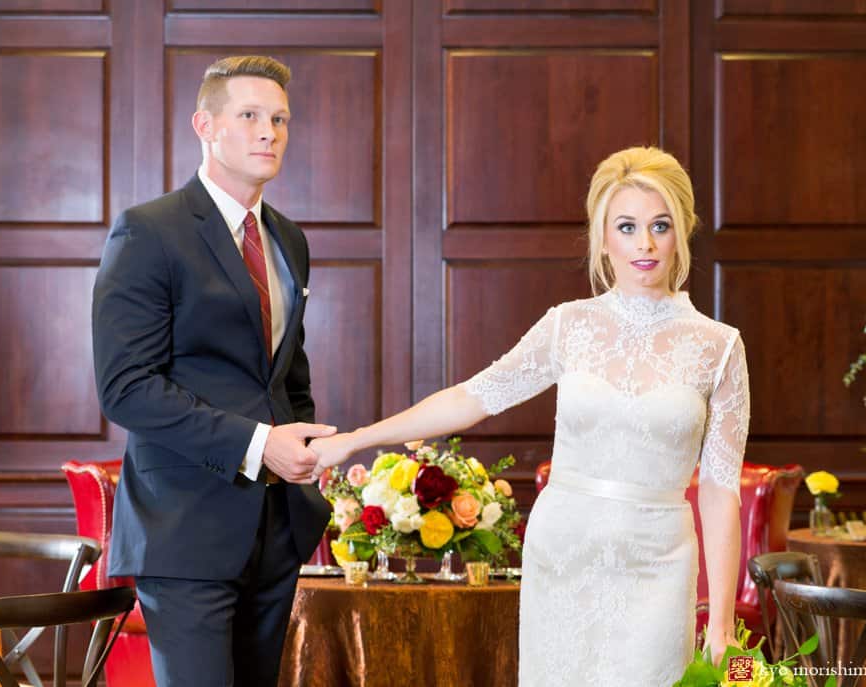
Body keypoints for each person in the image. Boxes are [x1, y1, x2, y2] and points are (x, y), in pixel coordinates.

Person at [308, 145, 749, 684]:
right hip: (563, 553)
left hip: (659, 561)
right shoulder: (568, 326)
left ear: (683, 229)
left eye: (661, 225)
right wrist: (357, 438)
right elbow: (471, 397)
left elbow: (721, 489)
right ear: (603, 236)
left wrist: (721, 620)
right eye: (627, 226)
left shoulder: (719, 346)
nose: (646, 243)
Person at [92, 55, 337, 687]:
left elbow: (288, 377)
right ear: (206, 124)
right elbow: (126, 388)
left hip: (277, 527)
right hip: (184, 528)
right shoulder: (149, 232)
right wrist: (260, 444)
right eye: (250, 116)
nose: (269, 132)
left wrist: (304, 446)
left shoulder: (289, 238)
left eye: (280, 119)